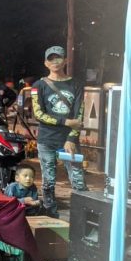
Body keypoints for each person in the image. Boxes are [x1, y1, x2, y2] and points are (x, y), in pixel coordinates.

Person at [31, 45, 86, 218]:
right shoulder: (38, 85)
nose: (55, 62)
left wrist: (71, 139)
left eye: (58, 58)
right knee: (48, 180)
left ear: (65, 60)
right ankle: (50, 214)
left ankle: (83, 217)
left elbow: (79, 115)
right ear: (45, 63)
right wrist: (65, 121)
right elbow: (38, 114)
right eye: (51, 59)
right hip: (46, 140)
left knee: (78, 180)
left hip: (69, 140)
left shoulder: (76, 84)